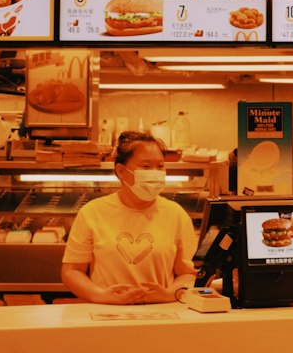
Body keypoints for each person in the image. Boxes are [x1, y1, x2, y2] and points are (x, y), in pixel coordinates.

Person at [61, 130, 196, 304]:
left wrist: (169, 294)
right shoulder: (92, 212)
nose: (155, 173)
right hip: (105, 314)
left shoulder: (176, 214)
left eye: (160, 166)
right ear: (121, 171)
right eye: (146, 167)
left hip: (163, 314)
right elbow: (71, 272)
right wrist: (101, 295)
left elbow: (187, 274)